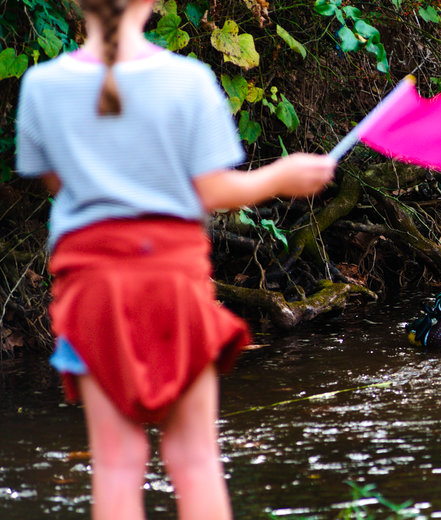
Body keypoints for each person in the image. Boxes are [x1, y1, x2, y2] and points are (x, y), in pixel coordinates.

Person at [14, 0, 336, 518]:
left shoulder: (40, 86)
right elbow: (211, 190)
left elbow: (58, 184)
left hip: (88, 292)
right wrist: (282, 177)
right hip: (171, 283)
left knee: (117, 463)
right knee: (194, 458)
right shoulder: (188, 80)